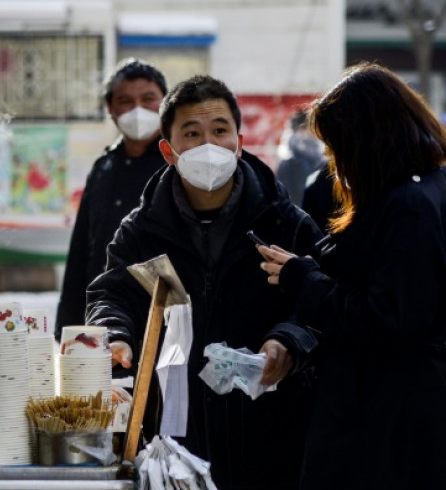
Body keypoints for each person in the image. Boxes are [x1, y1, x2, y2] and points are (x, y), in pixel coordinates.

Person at [86, 75, 323, 489]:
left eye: (219, 131)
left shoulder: (285, 222)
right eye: (192, 134)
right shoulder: (141, 231)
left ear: (239, 140)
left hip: (271, 437)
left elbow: (321, 301)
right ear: (168, 150)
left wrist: (289, 340)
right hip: (178, 443)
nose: (209, 145)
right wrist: (115, 333)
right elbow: (111, 293)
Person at [258, 63, 446, 489]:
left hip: (386, 426)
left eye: (337, 148)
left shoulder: (407, 205)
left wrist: (303, 280)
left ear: (368, 140)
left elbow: (389, 319)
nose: (334, 162)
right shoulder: (423, 189)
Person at [55, 58, 168, 339]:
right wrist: (67, 325)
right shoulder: (103, 168)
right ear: (110, 108)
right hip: (102, 314)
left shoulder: (175, 167)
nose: (137, 110)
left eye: (148, 99)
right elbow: (82, 249)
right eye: (126, 100)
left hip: (159, 318)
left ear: (165, 103)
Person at [276, 109, 326, 204]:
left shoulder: (321, 160)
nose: (313, 134)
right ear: (299, 130)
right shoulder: (289, 163)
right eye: (309, 128)